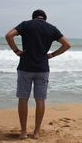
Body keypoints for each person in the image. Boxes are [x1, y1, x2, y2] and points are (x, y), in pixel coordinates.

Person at [5, 9, 71, 139]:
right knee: (40, 100)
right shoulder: (51, 28)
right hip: (42, 68)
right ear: (44, 19)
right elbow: (67, 44)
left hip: (25, 67)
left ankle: (23, 132)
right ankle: (36, 132)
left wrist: (16, 51)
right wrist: (52, 55)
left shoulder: (26, 24)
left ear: (34, 18)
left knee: (23, 99)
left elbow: (9, 35)